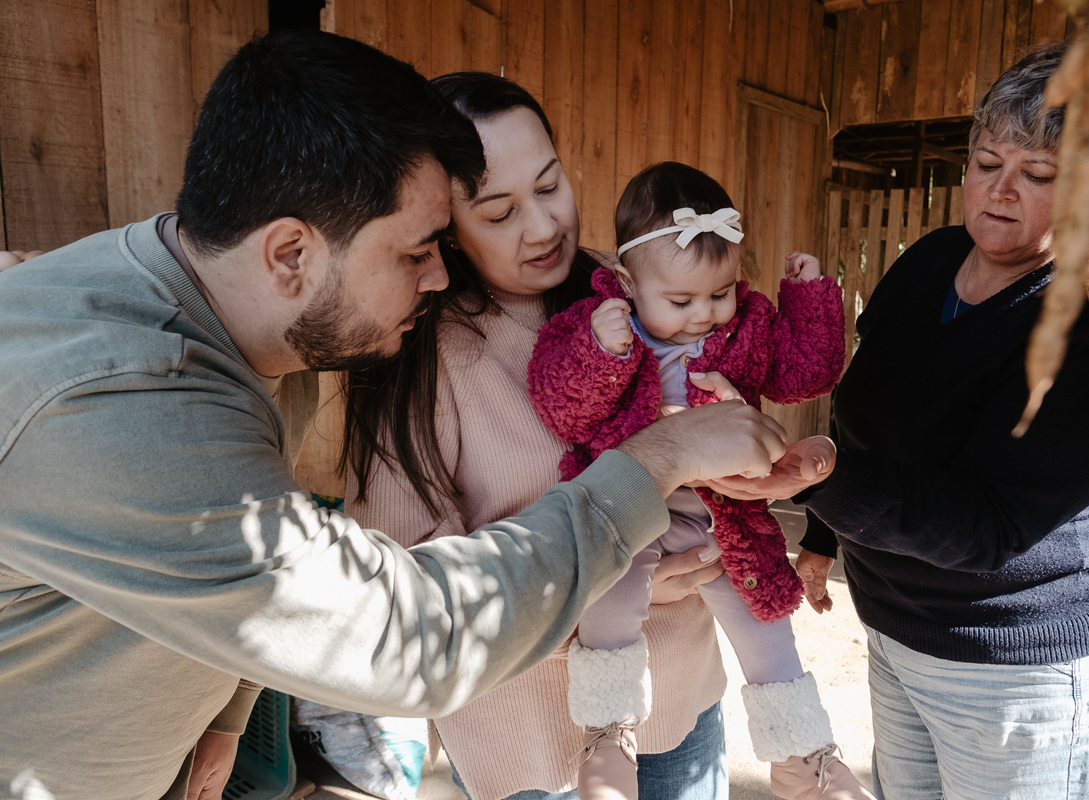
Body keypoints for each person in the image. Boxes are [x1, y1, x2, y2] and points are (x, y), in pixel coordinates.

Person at [0, 32, 791, 800]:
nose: (440, 273)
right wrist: (656, 464)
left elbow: (247, 567)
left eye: (550, 186)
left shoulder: (250, 333)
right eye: (418, 250)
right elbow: (400, 636)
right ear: (289, 255)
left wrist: (227, 709)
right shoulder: (127, 405)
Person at [342, 73, 816, 800]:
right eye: (499, 211)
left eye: (549, 185)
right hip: (527, 740)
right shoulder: (417, 355)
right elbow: (407, 591)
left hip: (680, 701)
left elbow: (735, 409)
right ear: (442, 224)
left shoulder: (635, 287)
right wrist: (596, 593)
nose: (543, 227)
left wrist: (767, 467)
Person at [712, 43, 1089, 799]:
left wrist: (820, 479)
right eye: (987, 162)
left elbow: (989, 524)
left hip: (1019, 660)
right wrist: (823, 534)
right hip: (897, 625)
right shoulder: (932, 260)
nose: (1000, 190)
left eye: (1039, 174)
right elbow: (871, 414)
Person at [527, 161, 869, 800]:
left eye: (720, 293)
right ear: (628, 282)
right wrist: (600, 353)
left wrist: (809, 297)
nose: (703, 315)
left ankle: (803, 756)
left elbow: (808, 374)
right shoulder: (599, 325)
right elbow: (562, 408)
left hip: (725, 518)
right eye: (680, 302)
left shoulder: (747, 327)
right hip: (628, 505)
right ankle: (607, 737)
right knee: (610, 602)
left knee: (767, 625)